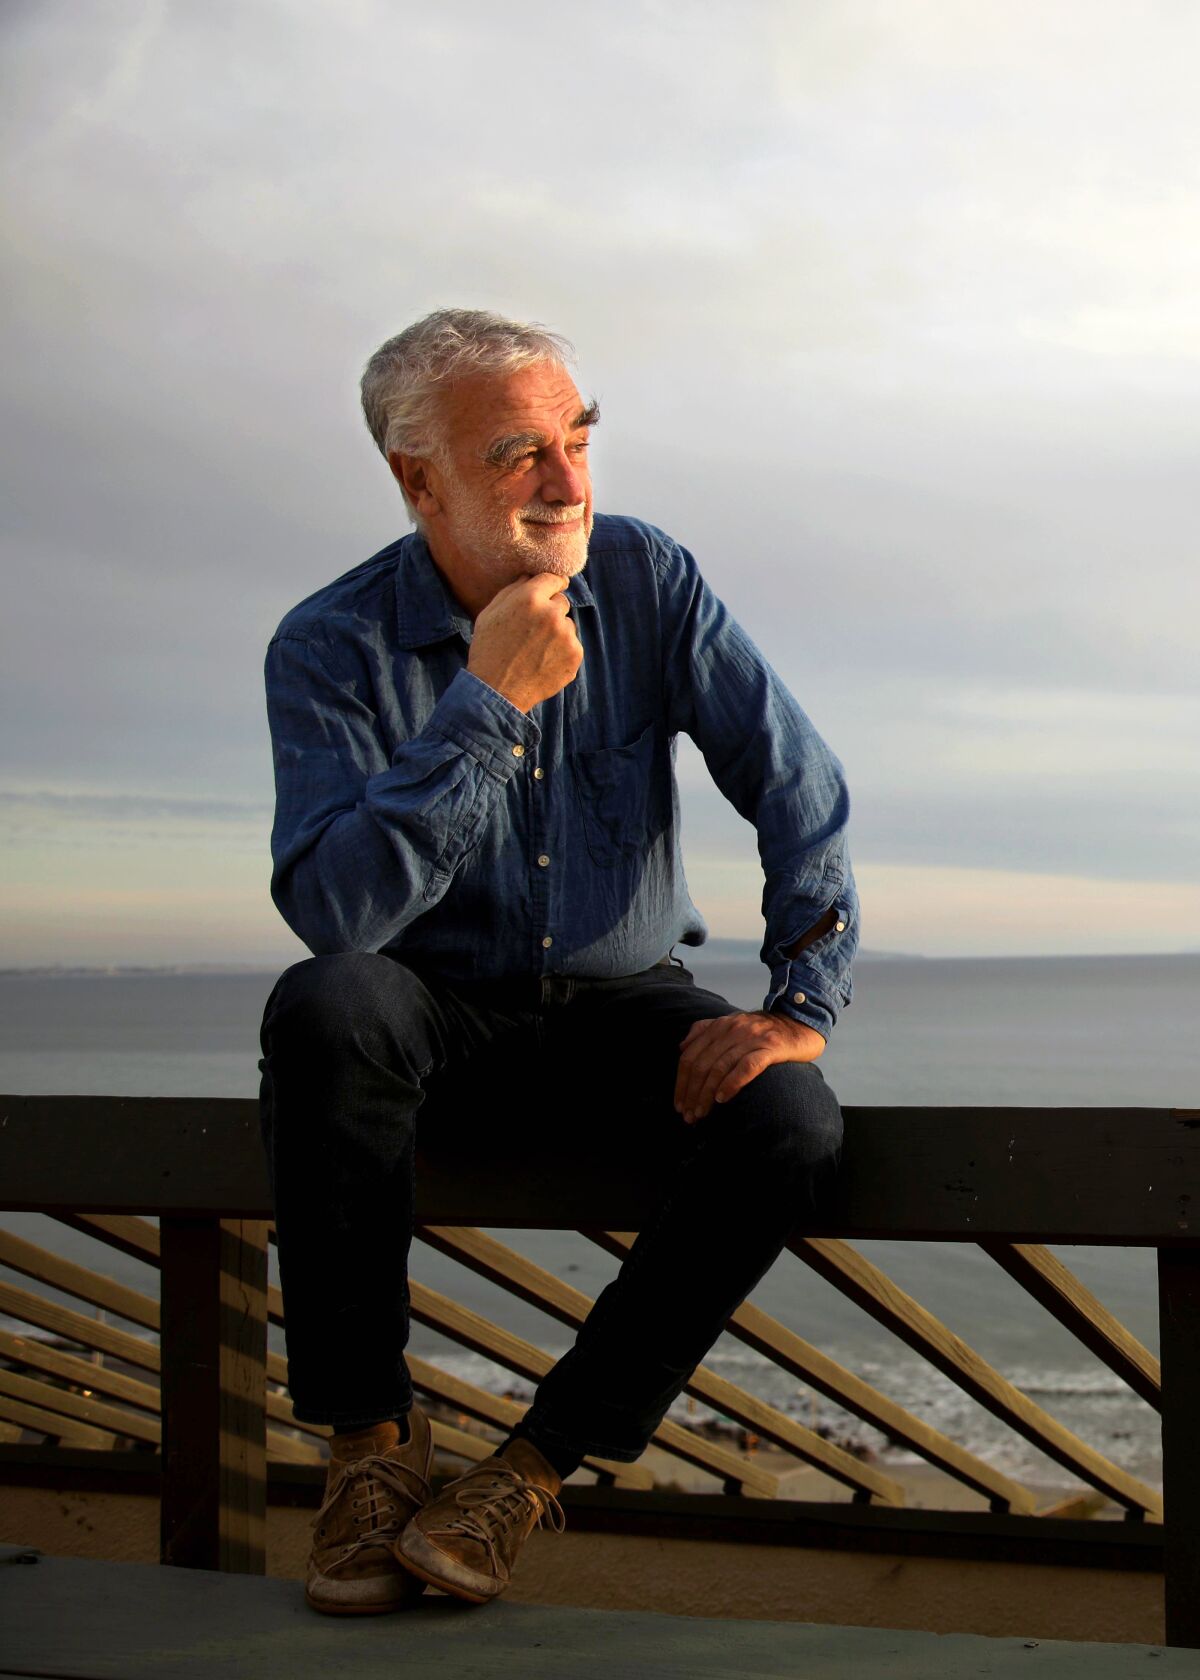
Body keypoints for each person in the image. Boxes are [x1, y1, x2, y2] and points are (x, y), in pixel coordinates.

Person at [259, 307, 857, 1616]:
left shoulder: (650, 578)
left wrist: (797, 1005)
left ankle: (527, 1471)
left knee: (794, 1121)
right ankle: (367, 1445)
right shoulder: (328, 645)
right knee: (327, 1003)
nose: (570, 483)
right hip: (432, 1015)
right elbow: (335, 912)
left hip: (625, 1008)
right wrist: (489, 704)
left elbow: (801, 786)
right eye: (518, 454)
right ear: (420, 480)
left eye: (577, 441)